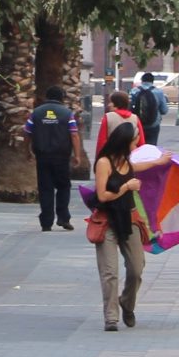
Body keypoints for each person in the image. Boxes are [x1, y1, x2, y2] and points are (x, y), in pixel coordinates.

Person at [91, 119, 153, 332]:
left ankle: (127, 302)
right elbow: (102, 195)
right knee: (110, 272)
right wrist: (127, 187)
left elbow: (142, 166)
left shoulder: (128, 162)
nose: (136, 147)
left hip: (129, 219)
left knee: (136, 268)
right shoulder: (104, 163)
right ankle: (111, 317)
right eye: (134, 143)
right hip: (107, 220)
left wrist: (163, 161)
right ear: (124, 142)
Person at [26, 84, 80, 231]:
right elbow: (74, 134)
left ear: (47, 97)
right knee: (64, 186)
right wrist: (77, 155)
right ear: (61, 98)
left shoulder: (36, 113)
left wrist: (28, 150)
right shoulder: (67, 113)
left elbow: (28, 132)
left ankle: (46, 222)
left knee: (45, 188)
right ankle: (63, 217)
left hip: (42, 156)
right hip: (62, 157)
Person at [95, 88, 136, 157]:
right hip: (130, 156)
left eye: (111, 102)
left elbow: (102, 140)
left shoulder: (108, 117)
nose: (109, 105)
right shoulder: (135, 118)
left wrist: (99, 156)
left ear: (117, 103)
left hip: (111, 156)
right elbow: (141, 141)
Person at [133, 72, 165, 146]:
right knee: (151, 147)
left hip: (138, 123)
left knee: (138, 146)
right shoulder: (158, 92)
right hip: (154, 124)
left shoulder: (134, 91)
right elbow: (164, 110)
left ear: (142, 80)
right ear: (153, 81)